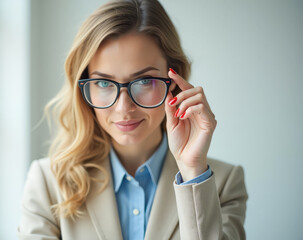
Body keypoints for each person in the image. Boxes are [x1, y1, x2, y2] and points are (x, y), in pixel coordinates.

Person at [17, 0, 248, 239]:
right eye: (104, 83)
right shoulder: (47, 182)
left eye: (145, 81)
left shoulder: (221, 184)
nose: (123, 107)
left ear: (175, 79)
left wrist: (192, 173)